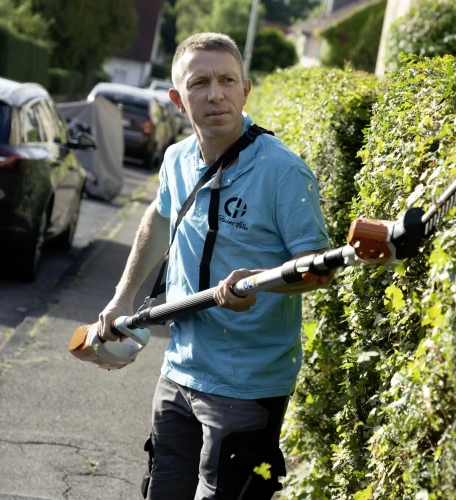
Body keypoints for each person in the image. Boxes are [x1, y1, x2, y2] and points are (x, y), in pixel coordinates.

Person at [96, 32, 332, 500]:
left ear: (246, 89)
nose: (215, 93)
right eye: (199, 82)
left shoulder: (283, 171)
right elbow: (160, 218)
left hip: (247, 386)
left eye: (227, 80)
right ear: (177, 99)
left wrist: (262, 288)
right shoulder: (176, 159)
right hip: (178, 371)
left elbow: (318, 269)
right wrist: (121, 300)